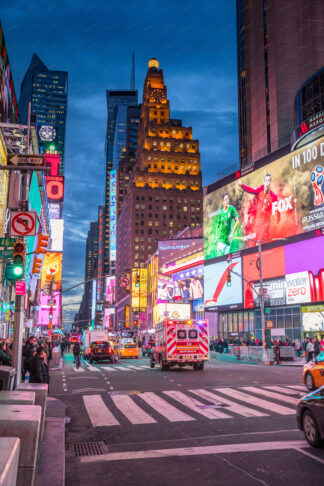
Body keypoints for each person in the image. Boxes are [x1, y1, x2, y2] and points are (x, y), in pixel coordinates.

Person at [238, 173, 279, 242]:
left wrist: (278, 218)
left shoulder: (273, 196)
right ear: (264, 181)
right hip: (257, 222)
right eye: (266, 180)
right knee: (254, 241)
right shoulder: (260, 189)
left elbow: (277, 210)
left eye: (268, 181)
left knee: (258, 242)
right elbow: (250, 190)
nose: (267, 183)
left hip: (265, 223)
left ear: (270, 182)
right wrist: (242, 185)